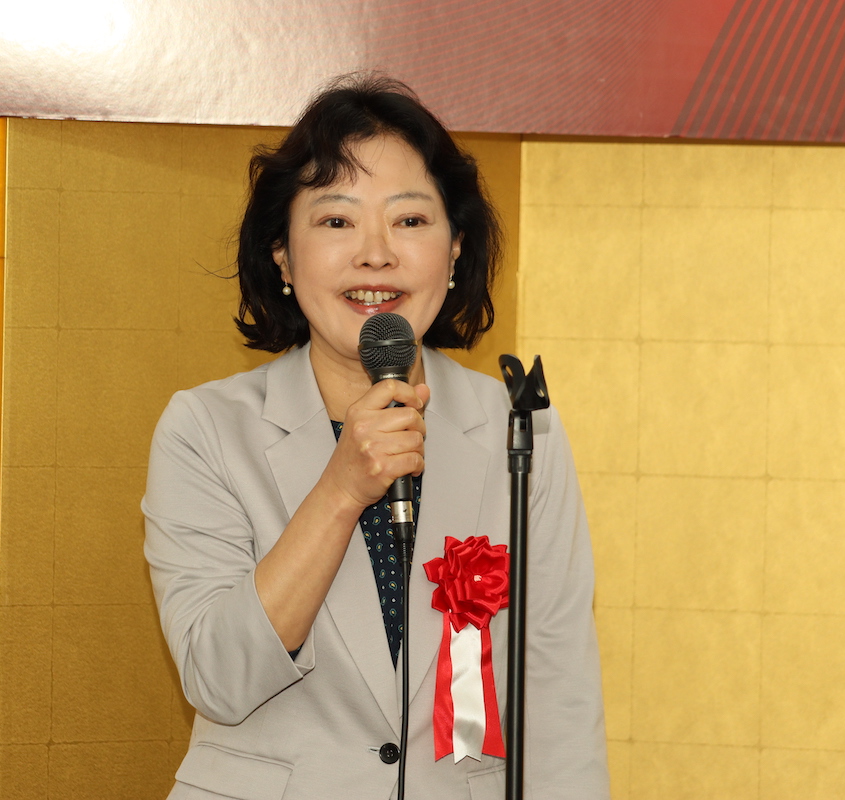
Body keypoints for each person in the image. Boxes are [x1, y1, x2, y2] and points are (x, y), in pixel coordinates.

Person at [142, 74, 608, 800]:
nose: (376, 254)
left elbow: (557, 693)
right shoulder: (206, 430)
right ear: (282, 254)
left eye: (410, 220)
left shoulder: (519, 428)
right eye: (337, 221)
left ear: (456, 248)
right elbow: (219, 680)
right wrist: (339, 490)